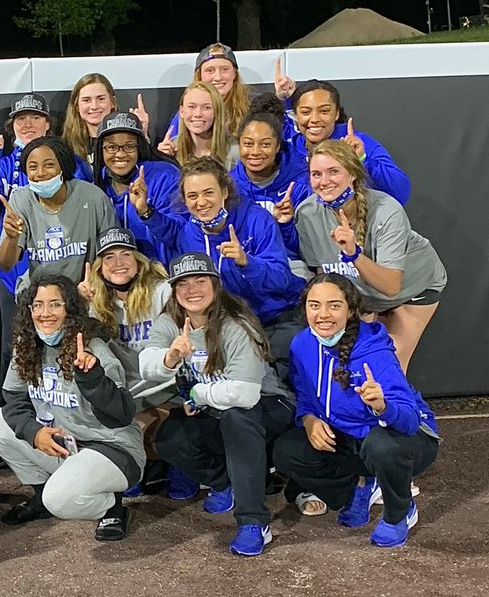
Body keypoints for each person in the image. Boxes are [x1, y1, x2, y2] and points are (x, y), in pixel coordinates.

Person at [141, 253, 295, 557]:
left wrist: (198, 395)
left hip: (269, 407)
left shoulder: (236, 323)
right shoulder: (170, 321)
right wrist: (170, 357)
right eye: (183, 283)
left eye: (200, 280)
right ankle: (227, 481)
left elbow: (246, 393)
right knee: (170, 436)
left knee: (238, 417)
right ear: (174, 290)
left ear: (215, 284)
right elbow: (147, 364)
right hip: (218, 407)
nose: (192, 290)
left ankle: (254, 522)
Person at [273, 274, 439, 547]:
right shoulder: (301, 344)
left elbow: (409, 422)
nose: (323, 314)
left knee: (381, 447)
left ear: (350, 310)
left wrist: (382, 406)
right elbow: (304, 394)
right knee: (286, 450)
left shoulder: (374, 351)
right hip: (352, 438)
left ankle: (399, 513)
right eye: (315, 305)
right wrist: (309, 418)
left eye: (334, 306)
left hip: (407, 438)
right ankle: (358, 488)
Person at [0, 272, 143, 541]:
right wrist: (33, 432)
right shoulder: (28, 345)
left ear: (70, 308)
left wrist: (92, 380)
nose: (46, 313)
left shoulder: (92, 347)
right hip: (66, 442)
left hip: (111, 448)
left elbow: (122, 414)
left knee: (60, 501)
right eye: (38, 305)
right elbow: (14, 399)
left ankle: (111, 506)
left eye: (55, 304)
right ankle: (40, 496)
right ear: (29, 310)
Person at [0, 93, 91, 466]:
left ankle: (78, 429)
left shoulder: (66, 163)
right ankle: (21, 431)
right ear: (12, 127)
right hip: (15, 277)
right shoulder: (6, 162)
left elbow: (83, 198)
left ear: (47, 124)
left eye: (34, 118)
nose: (27, 125)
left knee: (77, 350)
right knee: (17, 353)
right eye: (20, 120)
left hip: (66, 277)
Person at [130, 156, 305, 376]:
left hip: (274, 319)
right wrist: (145, 210)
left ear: (224, 192)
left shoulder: (256, 220)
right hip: (227, 326)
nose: (201, 202)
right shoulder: (189, 232)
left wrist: (246, 262)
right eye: (192, 196)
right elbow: (170, 231)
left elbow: (281, 280)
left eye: (208, 192)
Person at [290, 140, 445, 371]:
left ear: (352, 174)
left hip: (412, 289)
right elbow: (324, 276)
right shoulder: (307, 213)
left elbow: (392, 286)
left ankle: (406, 408)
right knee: (351, 362)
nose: (324, 181)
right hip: (363, 296)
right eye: (316, 174)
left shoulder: (387, 211)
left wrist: (354, 254)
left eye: (333, 172)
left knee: (386, 366)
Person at [76, 228, 188, 496]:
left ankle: (183, 467)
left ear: (139, 260)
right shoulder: (96, 302)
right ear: (99, 268)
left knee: (170, 427)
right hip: (127, 392)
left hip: (167, 385)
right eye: (109, 257)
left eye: (126, 254)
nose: (118, 263)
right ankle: (135, 467)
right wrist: (79, 306)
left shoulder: (162, 292)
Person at [0, 136, 118, 297]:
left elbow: (113, 253)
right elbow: (5, 264)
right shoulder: (20, 200)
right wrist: (11, 238)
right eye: (33, 167)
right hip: (40, 296)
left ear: (63, 167)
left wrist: (96, 284)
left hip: (88, 293)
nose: (40, 173)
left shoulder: (93, 197)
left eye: (49, 165)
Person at [279, 78, 410, 205]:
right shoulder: (291, 145)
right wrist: (285, 100)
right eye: (305, 112)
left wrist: (362, 160)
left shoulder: (359, 143)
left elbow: (400, 193)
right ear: (296, 115)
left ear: (336, 114)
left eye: (324, 111)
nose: (314, 119)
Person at [229, 95, 310, 266]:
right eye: (248, 144)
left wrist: (285, 225)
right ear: (239, 145)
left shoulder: (300, 184)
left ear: (278, 146)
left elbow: (307, 252)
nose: (255, 152)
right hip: (241, 262)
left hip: (289, 263)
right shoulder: (229, 186)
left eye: (265, 144)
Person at [91, 111, 181, 264]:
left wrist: (146, 212)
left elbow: (179, 236)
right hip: (118, 274)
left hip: (161, 276)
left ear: (140, 146)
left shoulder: (165, 176)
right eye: (111, 147)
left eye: (129, 146)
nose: (120, 154)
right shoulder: (98, 183)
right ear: (101, 149)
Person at [159, 43, 252, 145]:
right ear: (200, 75)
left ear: (234, 73)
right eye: (210, 70)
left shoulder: (251, 108)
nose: (218, 77)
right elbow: (173, 146)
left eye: (225, 69)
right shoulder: (187, 113)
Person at [164, 81, 237, 169]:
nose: (198, 114)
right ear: (182, 112)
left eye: (207, 107)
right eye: (192, 107)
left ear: (217, 112)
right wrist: (161, 160)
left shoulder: (234, 151)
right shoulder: (171, 149)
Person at [61, 73, 118, 166]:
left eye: (101, 99)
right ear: (77, 106)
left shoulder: (125, 141)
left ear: (112, 102)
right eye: (86, 100)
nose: (94, 106)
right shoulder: (65, 146)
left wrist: (143, 136)